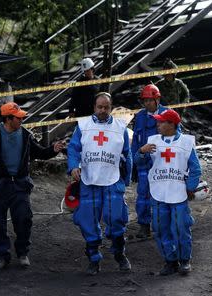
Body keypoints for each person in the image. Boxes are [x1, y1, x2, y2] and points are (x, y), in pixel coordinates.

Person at [0, 102, 65, 269]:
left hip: (20, 185)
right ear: (8, 119)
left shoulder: (25, 135)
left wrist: (54, 149)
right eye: (18, 118)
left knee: (24, 219)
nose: (22, 120)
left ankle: (22, 252)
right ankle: (2, 255)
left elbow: (40, 153)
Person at [67, 92, 132, 275]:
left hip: (112, 178)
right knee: (88, 220)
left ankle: (120, 254)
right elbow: (73, 148)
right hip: (89, 179)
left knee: (116, 217)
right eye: (99, 107)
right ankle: (94, 259)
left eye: (106, 107)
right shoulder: (83, 125)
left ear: (111, 108)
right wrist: (73, 166)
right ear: (94, 107)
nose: (103, 110)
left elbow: (127, 154)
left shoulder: (121, 127)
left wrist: (125, 179)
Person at [134, 109, 201, 276]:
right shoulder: (152, 141)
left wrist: (190, 187)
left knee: (180, 227)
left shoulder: (185, 143)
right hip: (158, 192)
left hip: (178, 193)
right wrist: (142, 152)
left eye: (161, 122)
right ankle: (170, 261)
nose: (157, 124)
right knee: (159, 227)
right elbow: (138, 162)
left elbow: (195, 168)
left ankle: (184, 260)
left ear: (171, 124)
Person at [131, 84, 170, 239]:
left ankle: (163, 225)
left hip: (163, 164)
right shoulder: (140, 117)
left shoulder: (168, 114)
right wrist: (135, 161)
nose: (147, 103)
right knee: (143, 195)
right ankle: (144, 226)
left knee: (163, 195)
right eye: (144, 100)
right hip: (144, 164)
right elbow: (135, 141)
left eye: (149, 100)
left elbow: (178, 138)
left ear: (157, 99)